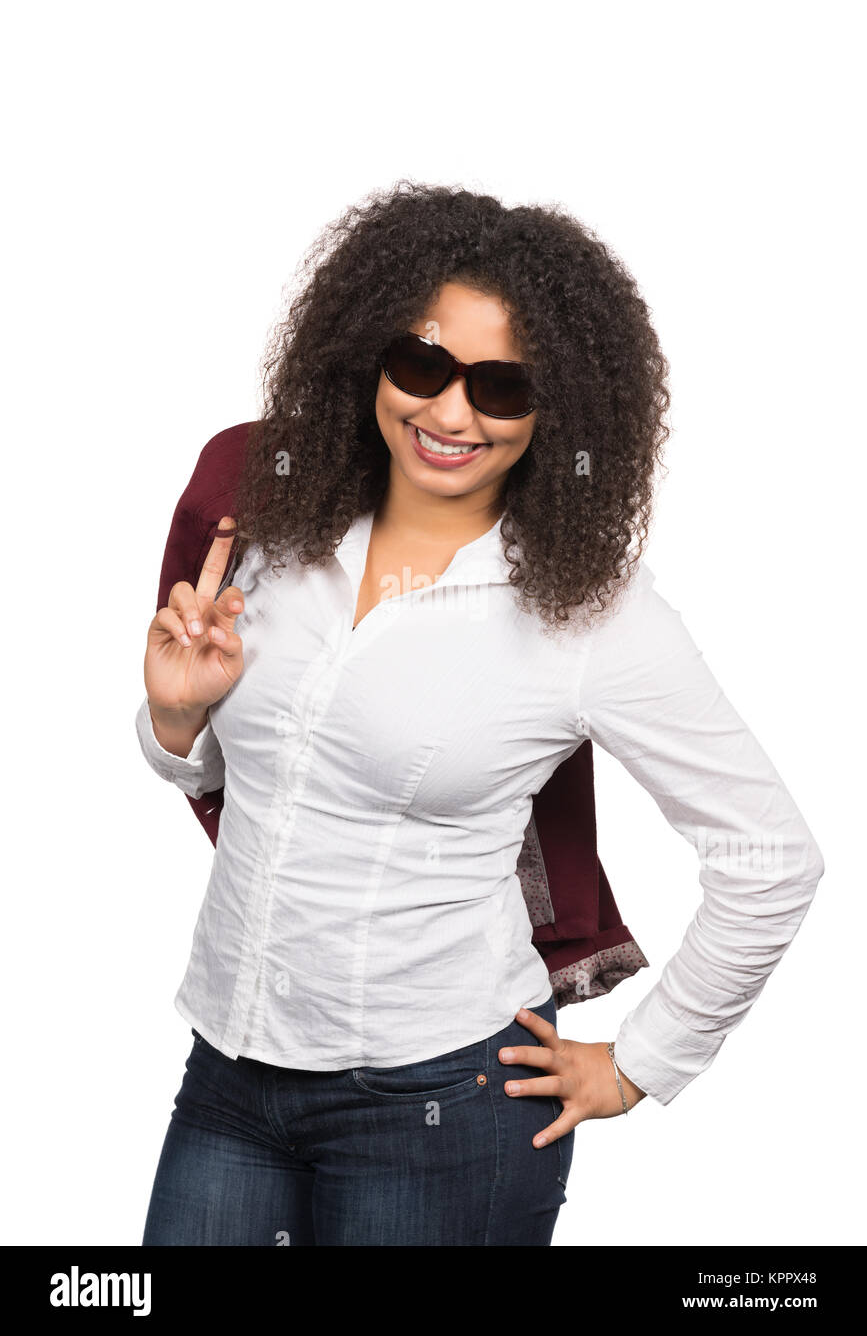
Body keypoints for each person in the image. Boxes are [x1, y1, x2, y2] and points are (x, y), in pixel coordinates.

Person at [136, 181, 824, 1246]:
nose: (450, 414)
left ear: (561, 411)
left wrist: (645, 1059)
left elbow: (771, 855)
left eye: (502, 388)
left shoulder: (592, 612)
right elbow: (239, 775)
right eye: (422, 365)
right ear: (368, 354)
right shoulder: (269, 517)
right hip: (229, 1071)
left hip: (442, 1107)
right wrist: (177, 723)